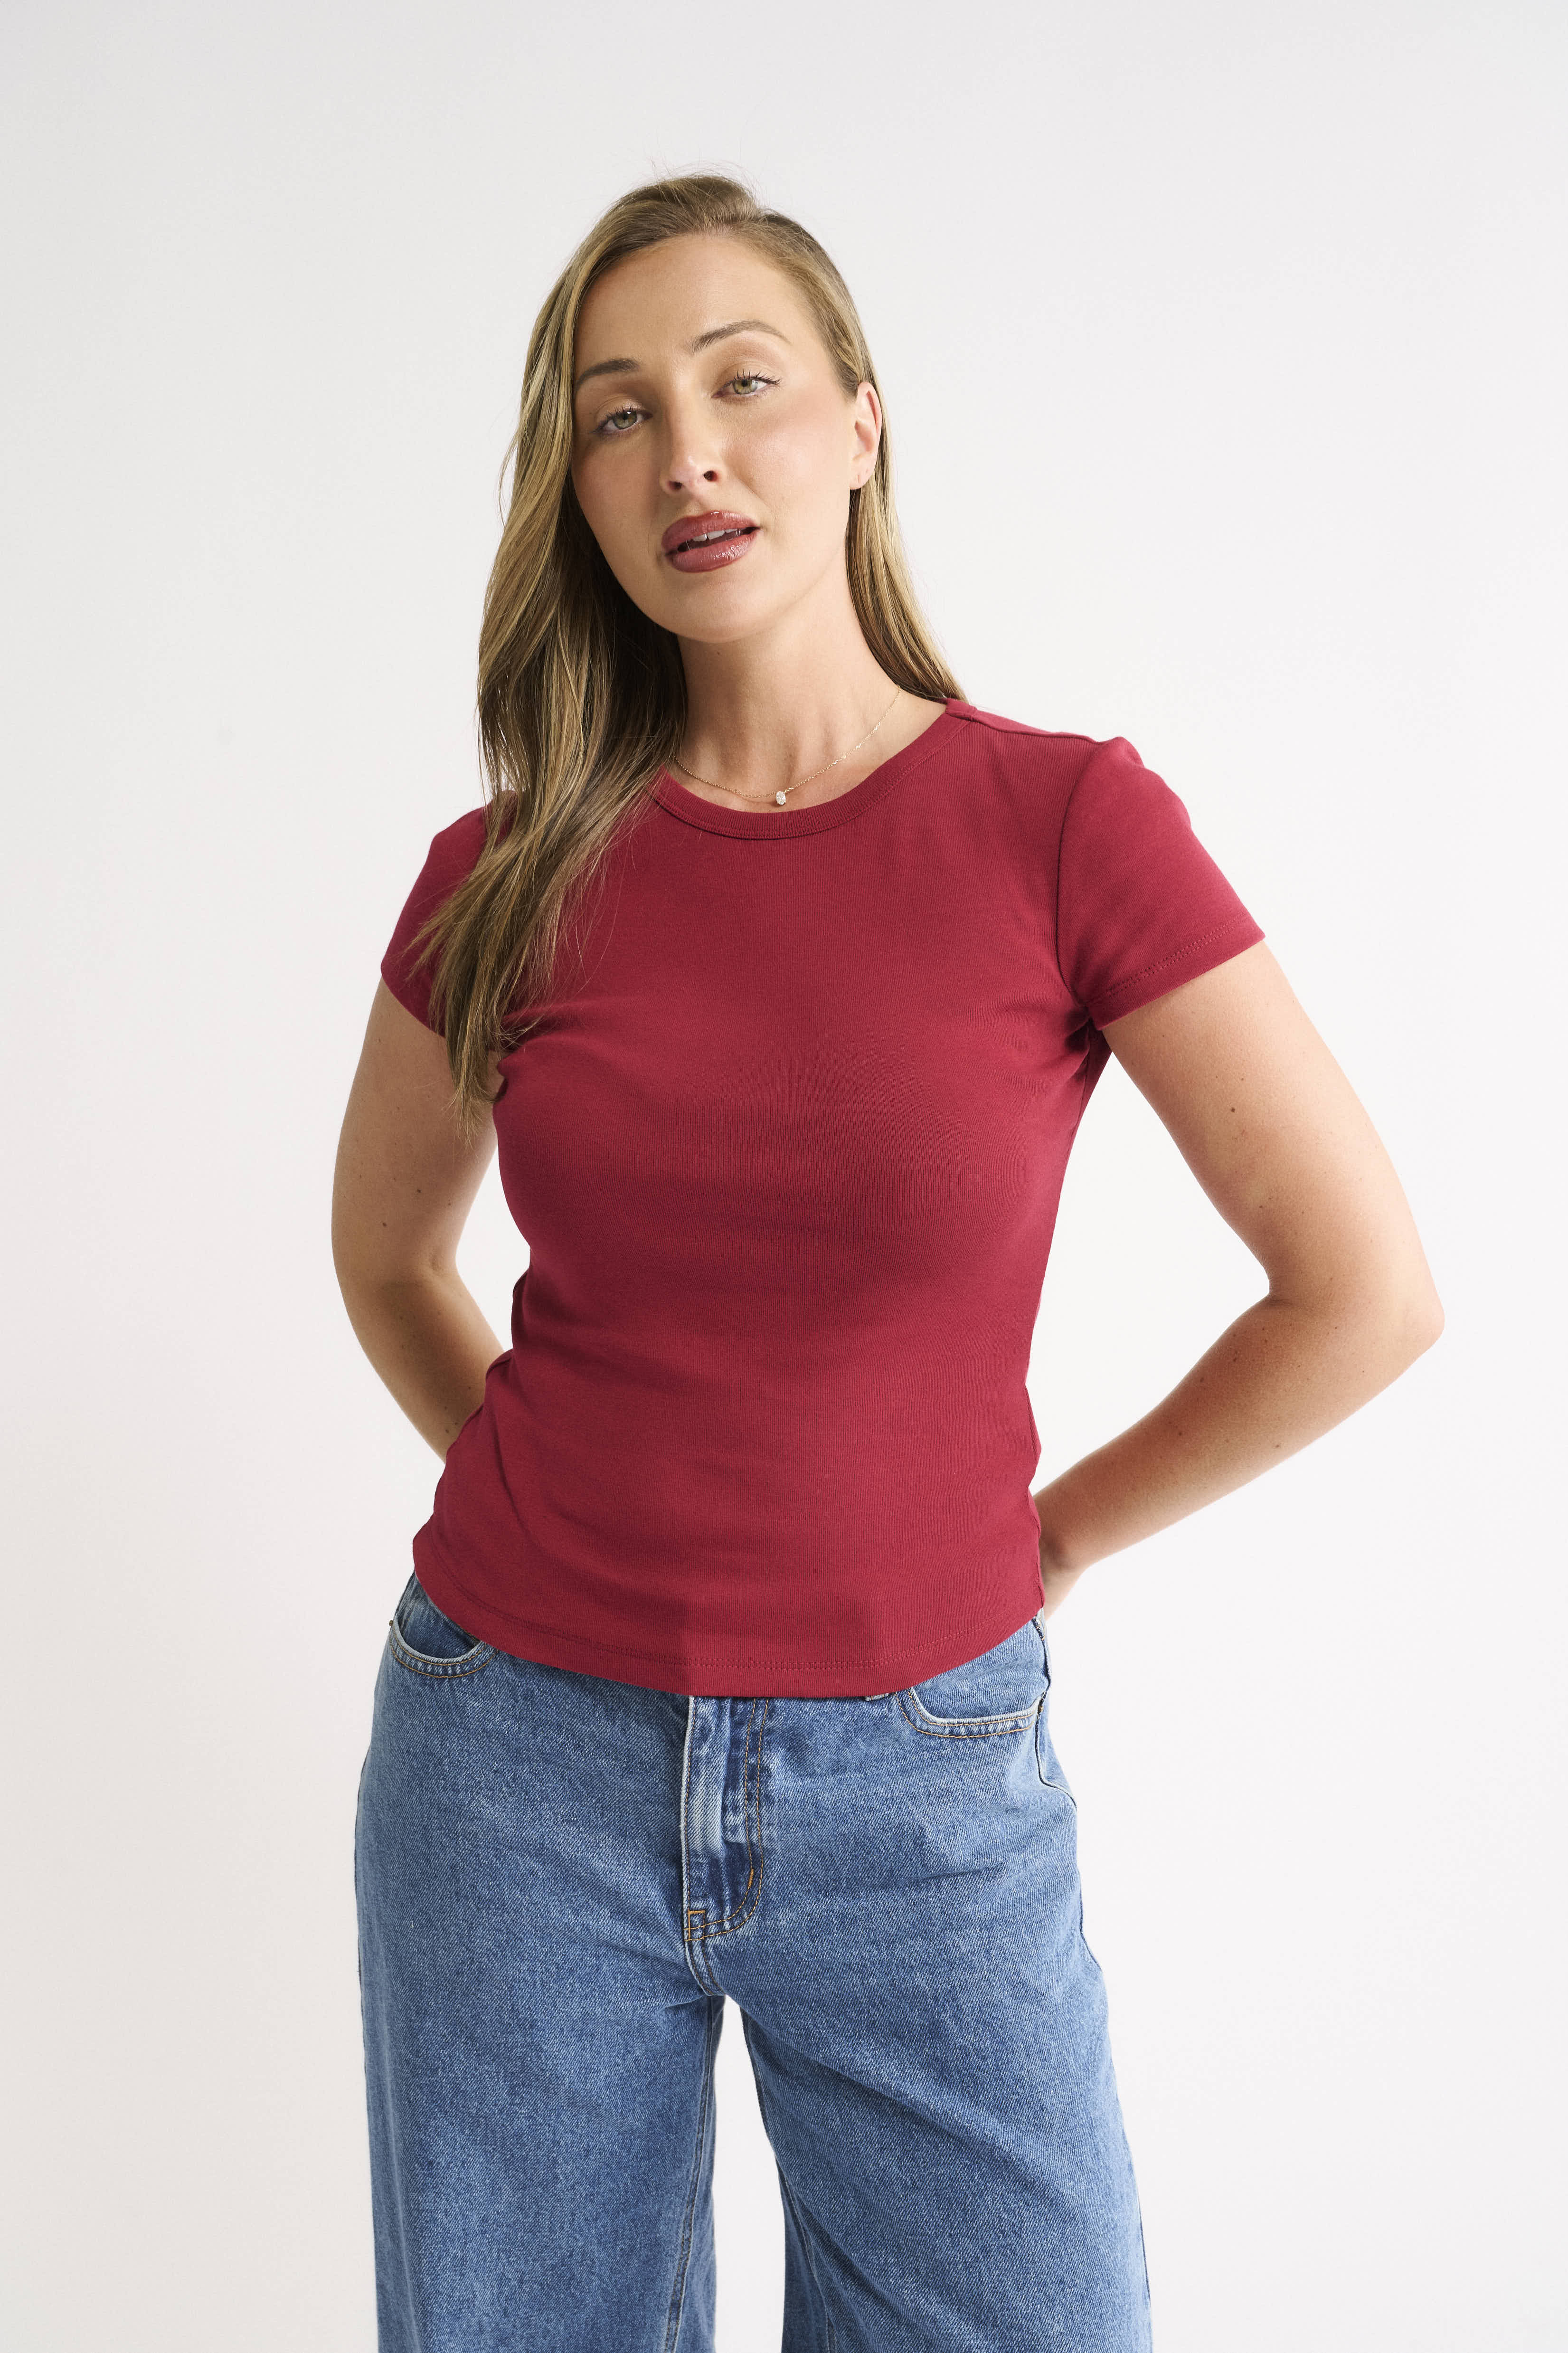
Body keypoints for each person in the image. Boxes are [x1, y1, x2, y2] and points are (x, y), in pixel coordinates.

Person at [331, 172, 1442, 2353]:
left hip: (926, 1772)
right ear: (580, 488)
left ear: (858, 421)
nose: (688, 455)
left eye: (740, 383)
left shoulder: (1062, 824)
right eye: (619, 414)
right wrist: (561, 1505)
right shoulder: (501, 872)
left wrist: (1055, 1535)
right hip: (514, 1767)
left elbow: (1361, 1288)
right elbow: (387, 1258)